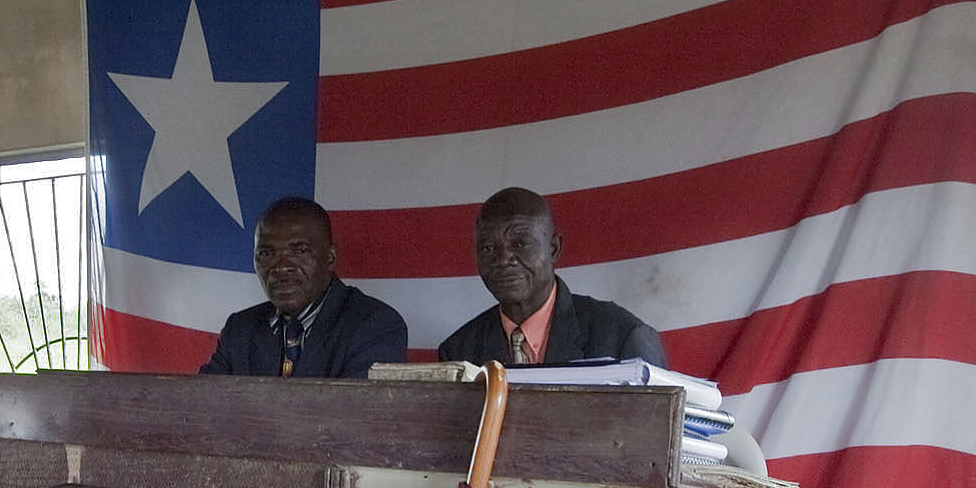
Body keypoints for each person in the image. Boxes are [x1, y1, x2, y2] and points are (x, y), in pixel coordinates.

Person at [436, 186, 666, 368]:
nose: (503, 259)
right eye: (487, 248)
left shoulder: (622, 337)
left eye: (520, 243)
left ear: (554, 248)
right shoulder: (459, 353)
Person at [198, 196, 409, 379]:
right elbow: (200, 408)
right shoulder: (240, 330)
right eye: (266, 253)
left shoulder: (375, 326)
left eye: (300, 251)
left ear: (330, 258)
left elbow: (355, 419)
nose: (281, 267)